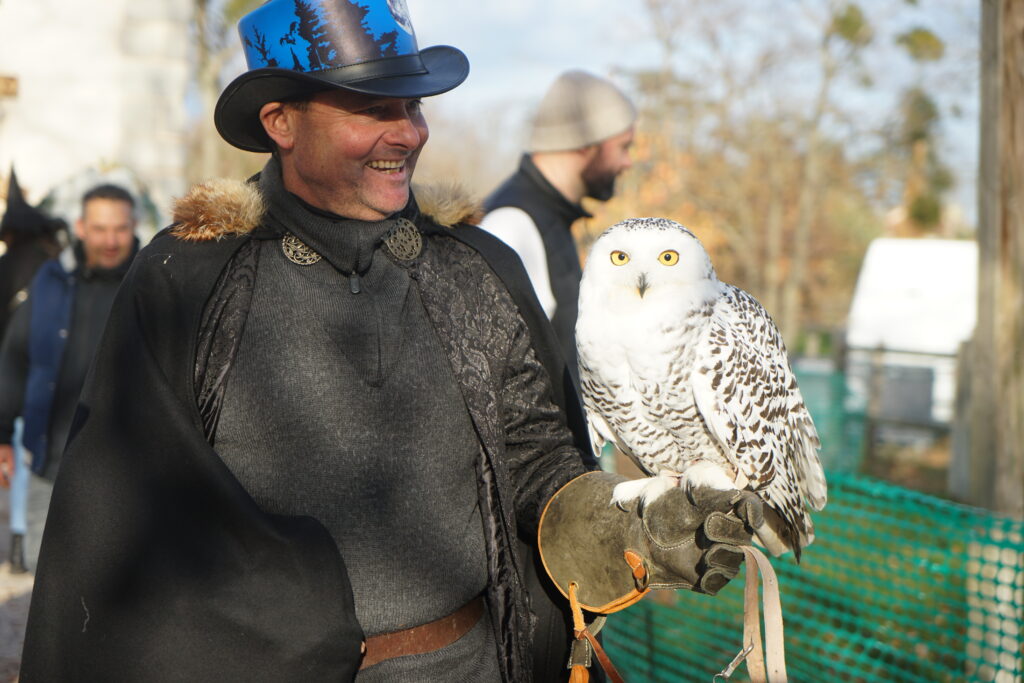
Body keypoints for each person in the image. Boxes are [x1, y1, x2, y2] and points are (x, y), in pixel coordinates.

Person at [20, 3, 756, 681]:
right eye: (374, 108)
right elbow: (123, 523)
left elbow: (535, 455)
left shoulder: (476, 268)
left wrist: (628, 526)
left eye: (413, 106)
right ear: (281, 122)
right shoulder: (187, 280)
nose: (408, 133)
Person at [0, 183, 137, 573]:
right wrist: (2, 432)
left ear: (134, 227)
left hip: (127, 472)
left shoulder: (153, 280)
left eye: (120, 229)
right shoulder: (52, 279)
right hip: (51, 461)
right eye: (100, 229)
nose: (110, 241)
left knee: (114, 585)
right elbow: (16, 355)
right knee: (45, 580)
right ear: (80, 227)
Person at [481, 70, 637, 373]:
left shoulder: (552, 218)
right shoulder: (511, 225)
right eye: (623, 147)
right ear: (585, 143)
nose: (627, 162)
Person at [0, 168, 64, 573]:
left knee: (19, 457)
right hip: (50, 372)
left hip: (13, 372)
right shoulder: (54, 265)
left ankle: (22, 540)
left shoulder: (6, 266)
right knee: (37, 459)